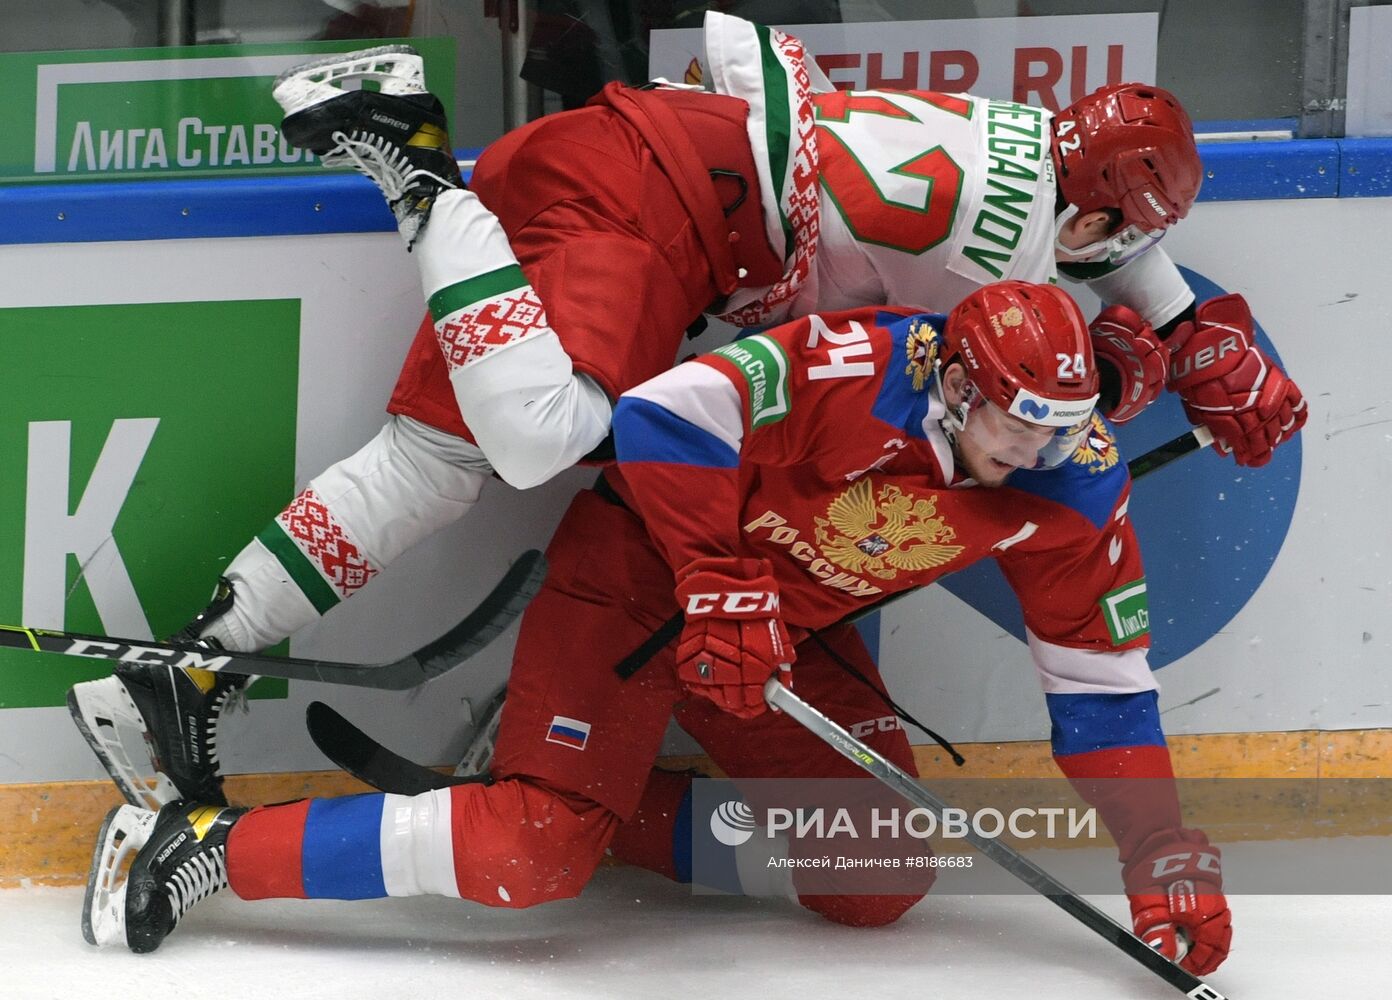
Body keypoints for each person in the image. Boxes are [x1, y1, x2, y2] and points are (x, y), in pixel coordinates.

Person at [68, 11, 1304, 813]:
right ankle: (418, 166)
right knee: (538, 432)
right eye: (1127, 239)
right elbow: (1061, 346)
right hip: (660, 195)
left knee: (434, 460)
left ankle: (183, 672)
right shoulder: (1015, 262)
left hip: (685, 184)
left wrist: (1200, 331)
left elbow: (1111, 264)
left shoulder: (1042, 168)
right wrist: (1164, 361)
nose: (1128, 257)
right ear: (1089, 217)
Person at [83, 282, 1232, 977]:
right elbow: (664, 416)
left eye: (1063, 429)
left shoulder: (1074, 489)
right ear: (953, 385)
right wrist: (719, 579)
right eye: (1017, 426)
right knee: (531, 857)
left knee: (879, 866)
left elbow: (1104, 693)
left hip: (775, 647)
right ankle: (200, 848)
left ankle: (570, 787)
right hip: (643, 584)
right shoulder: (858, 365)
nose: (1038, 455)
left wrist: (1157, 847)